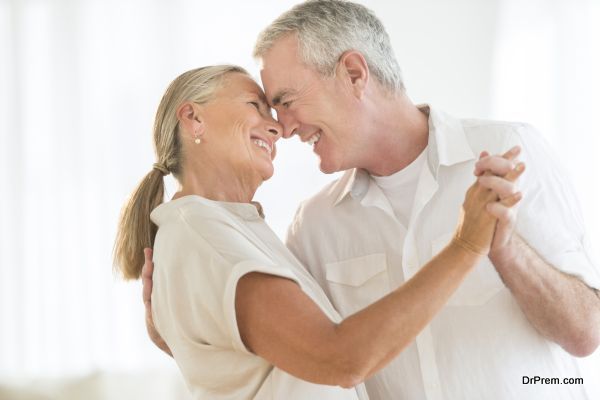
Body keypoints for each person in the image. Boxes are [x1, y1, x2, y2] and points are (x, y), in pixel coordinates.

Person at [140, 1, 600, 399]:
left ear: (355, 74)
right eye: (267, 108)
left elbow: (587, 332)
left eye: (285, 100)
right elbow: (315, 353)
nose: (284, 126)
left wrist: (507, 250)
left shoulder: (507, 153)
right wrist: (185, 332)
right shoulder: (314, 226)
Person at [114, 65, 523, 399]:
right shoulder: (204, 234)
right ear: (193, 117)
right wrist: (467, 245)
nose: (277, 129)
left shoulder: (225, 230)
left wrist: (179, 340)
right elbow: (340, 359)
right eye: (255, 105)